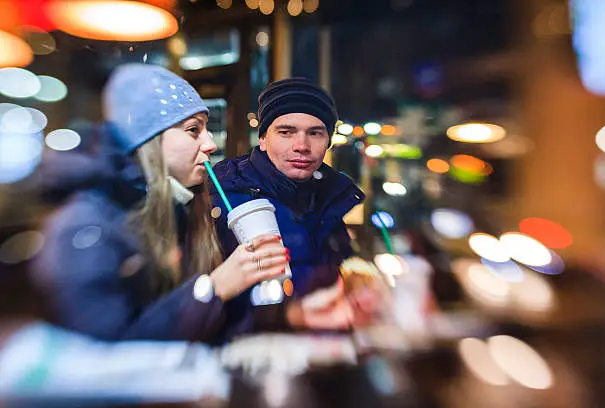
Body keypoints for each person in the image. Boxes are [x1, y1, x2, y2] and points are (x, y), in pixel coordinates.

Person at [32, 64, 289, 343]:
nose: (210, 143)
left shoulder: (183, 207)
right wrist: (211, 289)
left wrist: (294, 315)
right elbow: (106, 356)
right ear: (149, 140)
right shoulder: (85, 225)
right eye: (194, 129)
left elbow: (211, 333)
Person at [211, 78, 372, 339]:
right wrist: (290, 315)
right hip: (251, 363)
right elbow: (206, 312)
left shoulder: (328, 197)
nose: (302, 146)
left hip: (322, 358)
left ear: (328, 141)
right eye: (286, 132)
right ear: (263, 139)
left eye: (315, 133)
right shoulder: (224, 200)